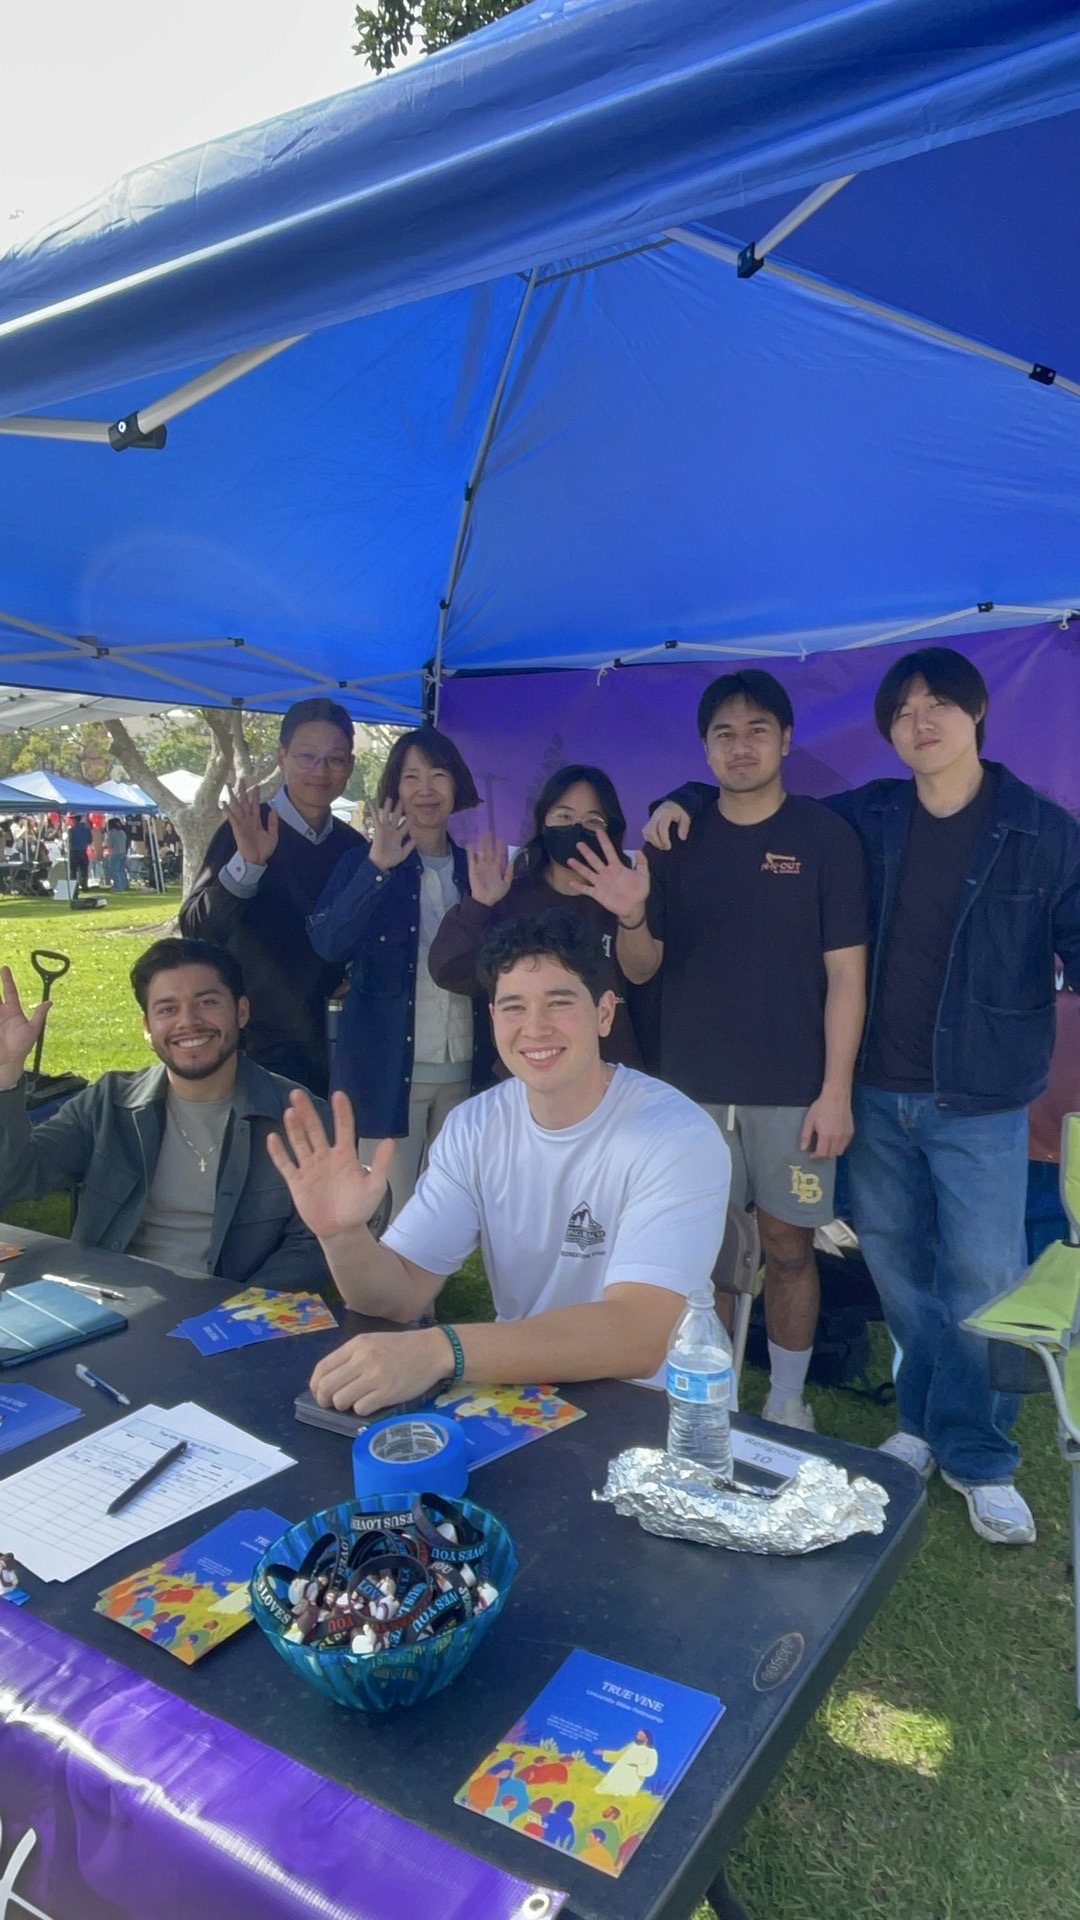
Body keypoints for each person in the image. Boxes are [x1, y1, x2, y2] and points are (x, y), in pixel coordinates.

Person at [644, 647, 1080, 1545]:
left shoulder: (1044, 829)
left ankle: (983, 1455)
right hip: (876, 1091)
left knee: (983, 1276)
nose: (922, 724)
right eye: (905, 711)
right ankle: (920, 1422)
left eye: (939, 707)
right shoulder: (868, 818)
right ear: (889, 730)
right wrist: (683, 799)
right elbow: (751, 805)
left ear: (977, 714)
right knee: (898, 1270)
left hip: (980, 1093)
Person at [266, 908, 730, 1413]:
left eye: (560, 1002)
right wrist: (342, 1235)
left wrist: (441, 1349)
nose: (535, 1028)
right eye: (513, 1007)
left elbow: (639, 1337)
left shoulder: (675, 1134)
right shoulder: (474, 1126)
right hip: (520, 1394)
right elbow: (396, 1297)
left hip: (649, 1409)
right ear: (492, 1019)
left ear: (604, 1013)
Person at [572, 671, 867, 1433]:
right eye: (724, 734)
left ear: (787, 740)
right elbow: (640, 968)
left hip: (794, 1090)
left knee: (788, 1248)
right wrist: (634, 912)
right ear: (705, 748)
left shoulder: (826, 838)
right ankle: (712, 1390)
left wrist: (836, 1091)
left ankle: (787, 1400)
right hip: (693, 1089)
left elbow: (847, 975)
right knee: (703, 1255)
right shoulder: (673, 839)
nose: (741, 746)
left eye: (757, 730)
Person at [0, 937, 331, 1290]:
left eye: (207, 1002)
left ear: (242, 1011)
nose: (188, 1022)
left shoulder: (300, 1118)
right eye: (167, 1009)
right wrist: (6, 1076)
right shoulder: (108, 1103)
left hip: (231, 1319)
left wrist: (236, 1311)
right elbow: (16, 1177)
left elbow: (313, 1245)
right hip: (109, 1305)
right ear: (147, 1025)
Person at [306, 726, 487, 1218]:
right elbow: (327, 943)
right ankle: (384, 1298)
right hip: (387, 1069)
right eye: (411, 777)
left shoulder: (476, 869)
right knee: (386, 1208)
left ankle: (422, 1295)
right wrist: (377, 868)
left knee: (447, 1208)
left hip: (464, 1068)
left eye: (438, 775)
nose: (426, 790)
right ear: (395, 789)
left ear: (457, 785)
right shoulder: (361, 862)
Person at [180, 697, 360, 1096]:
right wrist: (248, 864)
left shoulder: (353, 847)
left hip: (330, 1041)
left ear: (349, 765)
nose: (320, 771)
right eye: (307, 756)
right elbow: (196, 926)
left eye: (335, 759)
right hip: (255, 1044)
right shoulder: (245, 829)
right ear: (282, 757)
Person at [429, 763, 644, 1068]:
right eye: (564, 816)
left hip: (611, 1081)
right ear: (543, 823)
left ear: (611, 830)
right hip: (527, 1080)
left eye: (592, 820)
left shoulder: (626, 898)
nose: (576, 828)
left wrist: (633, 915)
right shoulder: (511, 897)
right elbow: (449, 971)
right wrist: (479, 905)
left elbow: (645, 975)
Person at [68, 814, 91, 892]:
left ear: (74, 820)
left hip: (74, 852)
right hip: (83, 851)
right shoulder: (86, 829)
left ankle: (74, 886)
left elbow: (69, 841)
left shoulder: (72, 830)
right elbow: (89, 840)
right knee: (84, 870)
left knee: (73, 870)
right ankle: (84, 885)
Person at [105, 817, 129, 891]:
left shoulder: (111, 833)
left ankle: (118, 886)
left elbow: (109, 845)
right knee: (121, 869)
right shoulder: (123, 832)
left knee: (114, 870)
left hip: (116, 852)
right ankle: (124, 885)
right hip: (123, 852)